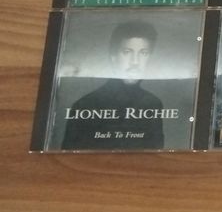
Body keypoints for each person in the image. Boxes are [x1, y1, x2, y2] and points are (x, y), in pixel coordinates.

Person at [61, 21, 165, 149]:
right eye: (127, 52)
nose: (135, 62)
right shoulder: (84, 106)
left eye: (143, 53)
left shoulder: (153, 104)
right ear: (113, 57)